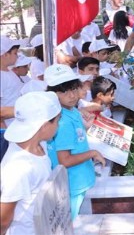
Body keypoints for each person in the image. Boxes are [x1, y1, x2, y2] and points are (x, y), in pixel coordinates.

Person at [44, 64, 105, 220]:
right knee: (70, 223)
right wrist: (93, 153)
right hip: (72, 183)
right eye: (63, 91)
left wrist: (86, 127)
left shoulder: (71, 111)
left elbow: (75, 138)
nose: (71, 95)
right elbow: (64, 160)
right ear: (52, 94)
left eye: (73, 89)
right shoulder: (62, 121)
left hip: (78, 179)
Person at [0, 92, 62, 235]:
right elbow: (3, 220)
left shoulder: (41, 145)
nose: (58, 125)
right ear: (44, 125)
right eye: (57, 121)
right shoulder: (19, 167)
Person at [0, 36, 24, 161]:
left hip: (16, 127)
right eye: (14, 53)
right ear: (4, 54)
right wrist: (4, 132)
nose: (17, 56)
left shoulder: (9, 73)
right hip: (7, 131)